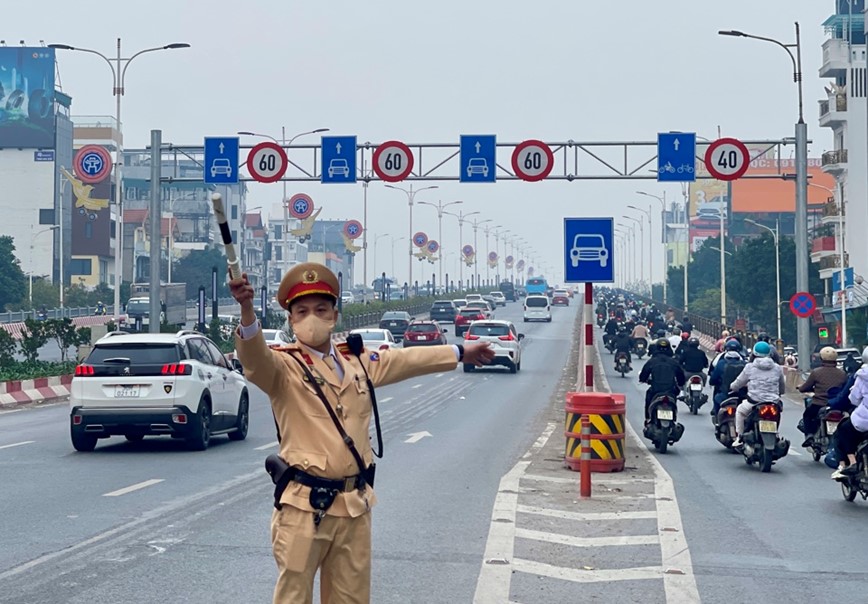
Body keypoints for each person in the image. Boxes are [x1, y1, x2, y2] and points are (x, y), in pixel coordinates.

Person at [230, 263, 494, 603]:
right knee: (293, 597)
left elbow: (405, 361)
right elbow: (255, 359)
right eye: (302, 311)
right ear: (291, 320)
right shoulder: (284, 367)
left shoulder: (355, 362)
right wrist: (247, 310)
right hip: (303, 509)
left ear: (335, 316)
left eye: (321, 309)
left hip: (354, 506)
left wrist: (459, 352)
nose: (312, 317)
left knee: (353, 599)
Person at [728, 341, 785, 448]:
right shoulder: (777, 368)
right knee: (777, 414)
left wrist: (732, 387)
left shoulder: (749, 367)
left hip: (754, 402)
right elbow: (781, 385)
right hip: (773, 402)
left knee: (740, 412)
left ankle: (739, 438)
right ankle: (775, 433)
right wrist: (780, 393)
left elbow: (739, 382)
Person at [798, 346, 847, 447]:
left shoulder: (816, 372)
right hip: (837, 405)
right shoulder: (843, 374)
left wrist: (800, 388)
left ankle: (810, 435)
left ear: (821, 358)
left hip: (819, 404)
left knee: (807, 415)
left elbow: (805, 387)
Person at [831, 347, 868, 479]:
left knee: (843, 430)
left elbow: (853, 398)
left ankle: (851, 462)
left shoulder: (862, 376)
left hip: (863, 420)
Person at [639, 338, 686, 423]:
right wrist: (680, 384)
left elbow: (643, 375)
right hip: (670, 391)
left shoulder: (652, 361)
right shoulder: (673, 362)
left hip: (655, 390)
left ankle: (648, 418)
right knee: (674, 397)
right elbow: (681, 377)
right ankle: (673, 418)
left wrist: (643, 380)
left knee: (648, 396)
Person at [709, 340, 747, 416]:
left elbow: (713, 379)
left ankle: (717, 418)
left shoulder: (721, 363)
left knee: (716, 399)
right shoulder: (744, 364)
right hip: (741, 395)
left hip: (725, 394)